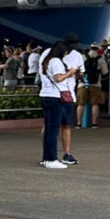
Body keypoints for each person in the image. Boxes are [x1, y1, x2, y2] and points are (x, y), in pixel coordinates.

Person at [38, 39, 79, 169]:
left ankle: (46, 158)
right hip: (55, 97)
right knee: (53, 130)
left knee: (49, 129)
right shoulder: (55, 61)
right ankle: (51, 159)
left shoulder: (46, 60)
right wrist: (70, 73)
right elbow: (58, 77)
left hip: (46, 95)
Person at [59, 32, 84, 165]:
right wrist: (69, 72)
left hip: (69, 95)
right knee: (50, 126)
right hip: (54, 94)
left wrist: (77, 73)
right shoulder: (53, 54)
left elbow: (81, 74)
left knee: (66, 125)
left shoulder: (77, 56)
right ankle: (47, 152)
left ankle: (66, 153)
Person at [75, 44, 108, 129]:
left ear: (90, 48)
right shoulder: (101, 59)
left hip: (83, 83)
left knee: (81, 104)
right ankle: (94, 124)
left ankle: (79, 123)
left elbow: (76, 70)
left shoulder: (82, 57)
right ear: (98, 49)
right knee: (95, 104)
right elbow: (105, 72)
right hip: (96, 84)